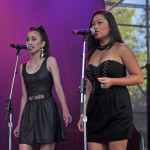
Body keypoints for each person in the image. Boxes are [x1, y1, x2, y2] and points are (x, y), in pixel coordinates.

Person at [77, 9, 143, 150]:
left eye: (99, 23)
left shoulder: (121, 48)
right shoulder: (91, 54)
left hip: (116, 108)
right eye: (93, 24)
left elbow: (138, 77)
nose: (95, 26)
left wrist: (114, 81)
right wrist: (83, 113)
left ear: (111, 26)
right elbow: (88, 87)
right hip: (95, 110)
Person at [14, 25, 72, 150]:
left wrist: (65, 109)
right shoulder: (22, 67)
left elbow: (58, 87)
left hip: (47, 109)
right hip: (29, 111)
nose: (29, 42)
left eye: (33, 39)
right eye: (27, 39)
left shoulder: (50, 61)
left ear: (42, 44)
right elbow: (24, 96)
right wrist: (19, 123)